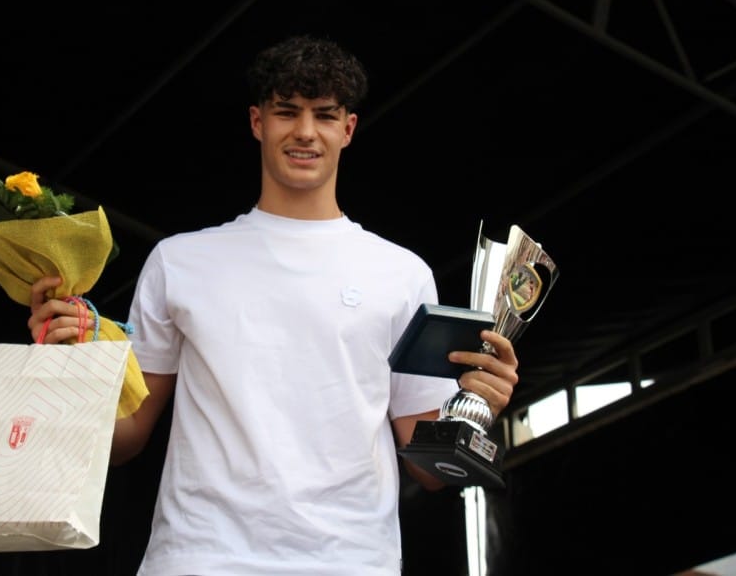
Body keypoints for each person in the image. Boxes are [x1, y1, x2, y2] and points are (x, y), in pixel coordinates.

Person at [28, 35, 519, 575]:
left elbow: (429, 469)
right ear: (258, 122)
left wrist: (479, 410)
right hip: (199, 558)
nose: (305, 131)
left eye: (324, 116)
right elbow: (126, 441)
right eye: (287, 112)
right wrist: (71, 368)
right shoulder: (180, 261)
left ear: (348, 129)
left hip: (350, 562)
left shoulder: (402, 275)